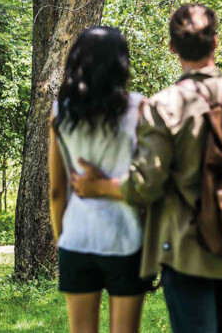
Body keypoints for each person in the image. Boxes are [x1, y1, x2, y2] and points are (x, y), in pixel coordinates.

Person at [69, 4, 222, 333]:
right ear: (216, 42)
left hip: (186, 253)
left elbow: (145, 185)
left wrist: (99, 186)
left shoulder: (164, 106)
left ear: (172, 47)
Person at [48, 26, 153, 333]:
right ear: (121, 63)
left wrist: (63, 241)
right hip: (127, 239)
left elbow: (57, 190)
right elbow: (148, 181)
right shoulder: (139, 108)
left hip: (77, 240)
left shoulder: (60, 113)